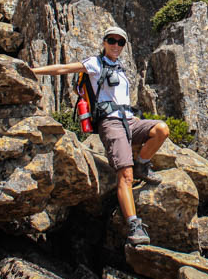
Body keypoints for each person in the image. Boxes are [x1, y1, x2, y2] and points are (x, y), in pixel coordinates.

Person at [30, 26, 169, 246]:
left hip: (130, 120)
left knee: (161, 129)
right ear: (104, 42)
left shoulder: (121, 68)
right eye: (111, 41)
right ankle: (134, 225)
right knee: (125, 175)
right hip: (111, 123)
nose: (116, 45)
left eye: (120, 42)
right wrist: (33, 71)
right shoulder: (95, 63)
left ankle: (142, 163)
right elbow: (63, 68)